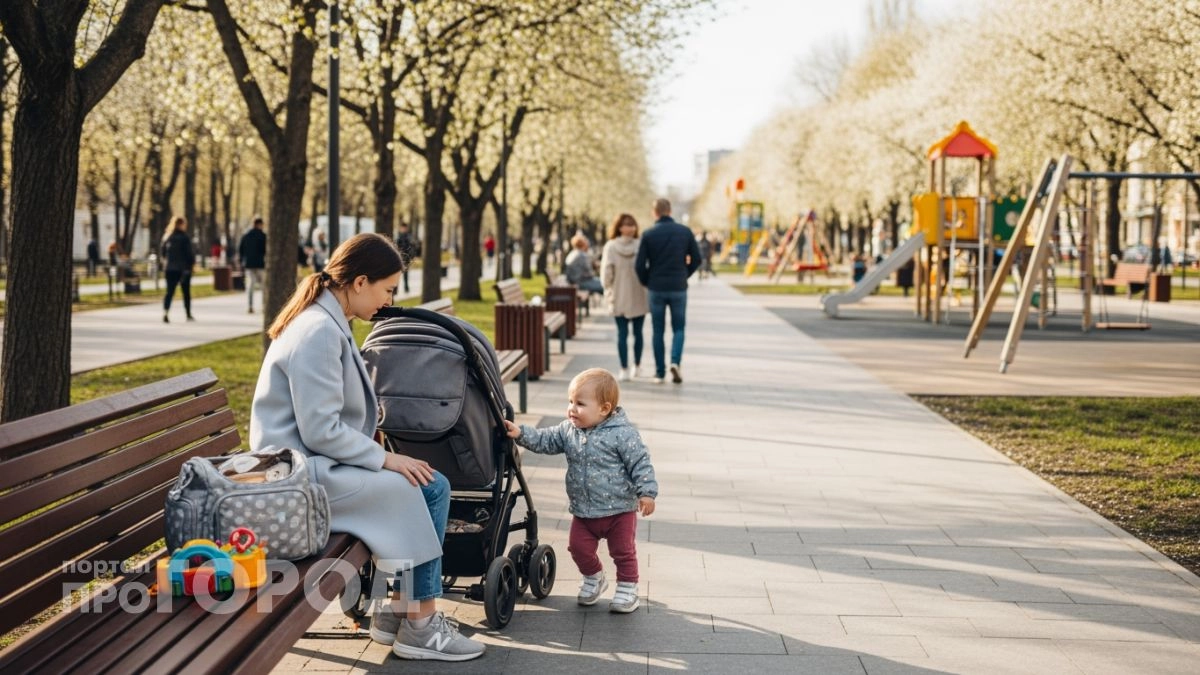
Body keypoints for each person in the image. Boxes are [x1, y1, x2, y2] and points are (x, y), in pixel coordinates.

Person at [249, 233, 485, 662]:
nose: (390, 300)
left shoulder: (324, 321)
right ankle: (420, 625)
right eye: (388, 289)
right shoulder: (319, 331)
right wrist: (386, 458)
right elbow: (320, 430)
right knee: (427, 487)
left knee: (426, 483)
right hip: (302, 477)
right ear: (360, 282)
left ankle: (398, 612)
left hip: (308, 467)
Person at [503, 368, 657, 613]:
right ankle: (594, 577)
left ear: (604, 409)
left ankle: (628, 587)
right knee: (578, 548)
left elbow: (640, 463)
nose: (572, 409)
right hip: (584, 511)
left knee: (623, 551)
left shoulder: (623, 434)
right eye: (570, 401)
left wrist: (646, 492)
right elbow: (545, 440)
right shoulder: (568, 430)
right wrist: (521, 434)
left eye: (580, 404)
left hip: (619, 510)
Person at [635, 198, 701, 384]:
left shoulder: (648, 234)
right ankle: (675, 361)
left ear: (654, 212)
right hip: (678, 286)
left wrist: (647, 281)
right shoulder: (685, 232)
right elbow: (697, 259)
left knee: (658, 330)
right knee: (679, 327)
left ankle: (659, 372)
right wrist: (684, 274)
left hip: (656, 287)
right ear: (670, 211)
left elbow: (639, 265)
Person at [600, 214, 649, 381]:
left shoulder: (611, 246)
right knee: (638, 333)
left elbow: (606, 274)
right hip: (639, 293)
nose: (631, 227)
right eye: (629, 224)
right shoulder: (641, 245)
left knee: (622, 333)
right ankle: (637, 366)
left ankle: (623, 368)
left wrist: (607, 289)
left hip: (618, 294)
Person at [161, 217, 196, 323]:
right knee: (186, 292)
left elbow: (163, 252)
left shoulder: (167, 237)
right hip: (183, 269)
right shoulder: (184, 237)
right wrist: (191, 265)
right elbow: (189, 253)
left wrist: (167, 262)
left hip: (170, 268)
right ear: (181, 224)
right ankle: (188, 314)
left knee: (169, 292)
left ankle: (166, 312)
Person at [239, 216, 267, 313]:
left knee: (251, 285)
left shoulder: (246, 235)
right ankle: (264, 305)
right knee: (263, 286)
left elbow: (241, 249)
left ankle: (250, 306)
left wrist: (243, 260)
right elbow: (265, 250)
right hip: (260, 264)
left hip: (249, 264)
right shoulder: (263, 236)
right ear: (259, 224)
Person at [394, 222, 418, 294]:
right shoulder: (399, 237)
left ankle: (406, 288)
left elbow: (412, 247)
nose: (403, 229)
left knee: (405, 275)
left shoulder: (408, 237)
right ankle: (396, 289)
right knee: (397, 274)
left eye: (404, 228)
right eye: (402, 228)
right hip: (399, 258)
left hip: (406, 258)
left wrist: (411, 256)